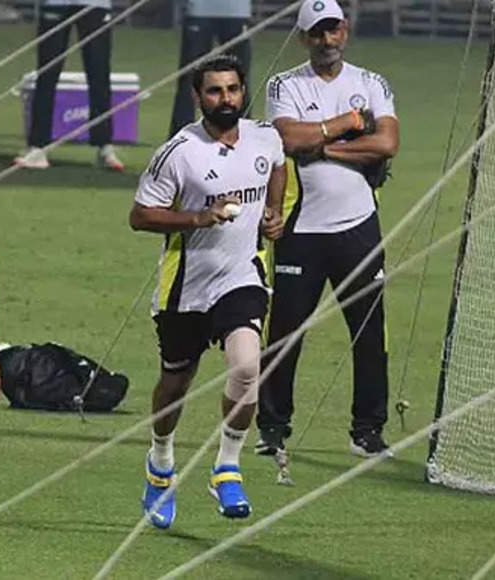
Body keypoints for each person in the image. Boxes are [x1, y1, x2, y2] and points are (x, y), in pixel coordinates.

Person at [130, 55, 285, 529]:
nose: (226, 99)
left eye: (233, 89)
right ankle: (160, 464)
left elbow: (278, 166)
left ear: (243, 92)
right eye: (215, 91)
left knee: (247, 366)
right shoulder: (179, 152)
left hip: (242, 275)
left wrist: (274, 211)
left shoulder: (265, 137)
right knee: (175, 383)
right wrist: (198, 217)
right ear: (198, 97)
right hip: (186, 286)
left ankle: (227, 468)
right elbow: (141, 215)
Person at [256, 0, 400, 459]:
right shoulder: (285, 84)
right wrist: (350, 127)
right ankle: (273, 428)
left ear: (346, 30)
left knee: (369, 332)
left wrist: (323, 147)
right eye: (317, 32)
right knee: (285, 331)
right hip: (301, 227)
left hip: (358, 225)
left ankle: (367, 431)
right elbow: (287, 139)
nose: (327, 40)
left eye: (333, 29)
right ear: (303, 38)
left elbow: (387, 143)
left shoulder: (372, 83)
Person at [14, 0, 124, 171]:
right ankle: (38, 146)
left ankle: (104, 145)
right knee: (47, 73)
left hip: (96, 4)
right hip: (55, 3)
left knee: (99, 72)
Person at [168, 0, 252, 138]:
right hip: (199, 10)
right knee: (188, 79)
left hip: (237, 12)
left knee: (239, 79)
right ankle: (179, 137)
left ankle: (244, 135)